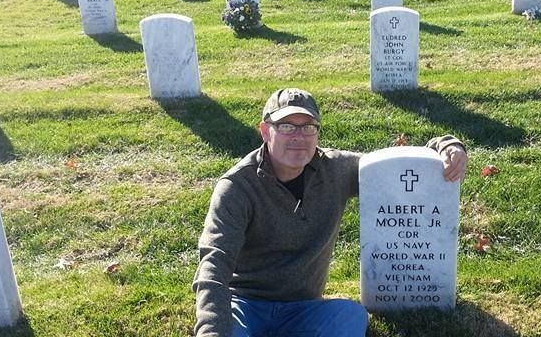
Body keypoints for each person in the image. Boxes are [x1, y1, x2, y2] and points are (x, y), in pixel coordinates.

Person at [193, 88, 468, 337]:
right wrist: (212, 332)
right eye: (286, 126)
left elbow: (392, 165)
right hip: (245, 305)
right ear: (265, 131)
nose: (298, 137)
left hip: (305, 308)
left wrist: (447, 145)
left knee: (349, 317)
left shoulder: (335, 169)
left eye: (308, 127)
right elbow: (213, 265)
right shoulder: (237, 187)